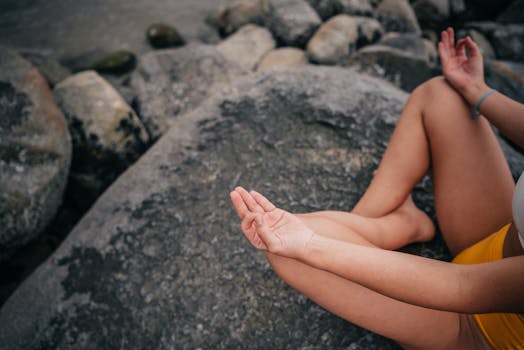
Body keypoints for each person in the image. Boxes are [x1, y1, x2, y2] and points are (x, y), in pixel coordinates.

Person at [230, 27, 524, 350]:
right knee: (442, 95)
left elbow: (464, 288)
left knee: (287, 252)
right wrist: (478, 90)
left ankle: (391, 227)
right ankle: (391, 225)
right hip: (497, 240)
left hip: (475, 324)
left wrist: (309, 245)